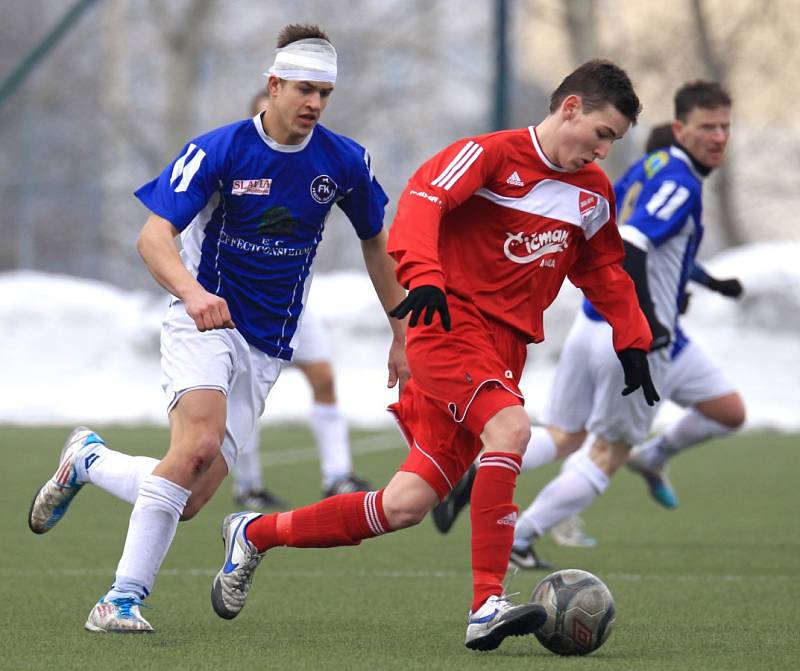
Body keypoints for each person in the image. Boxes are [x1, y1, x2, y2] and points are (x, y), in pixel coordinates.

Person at [209, 59, 657, 652]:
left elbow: (601, 266)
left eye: (614, 143)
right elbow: (422, 201)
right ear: (570, 107)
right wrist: (421, 277)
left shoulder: (593, 194)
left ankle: (255, 533)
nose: (602, 153)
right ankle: (486, 604)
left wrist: (633, 339)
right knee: (512, 429)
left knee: (404, 505)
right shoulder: (490, 155)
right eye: (602, 134)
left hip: (503, 350)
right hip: (447, 325)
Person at [26, 24, 408, 633]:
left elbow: (376, 244)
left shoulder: (344, 161)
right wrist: (194, 292)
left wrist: (401, 332)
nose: (314, 103)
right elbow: (153, 237)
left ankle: (89, 461)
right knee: (196, 447)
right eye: (304, 89)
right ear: (274, 84)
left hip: (268, 343)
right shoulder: (218, 150)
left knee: (193, 497)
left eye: (325, 94)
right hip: (202, 321)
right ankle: (120, 600)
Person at [506, 80, 744, 568]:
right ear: (680, 129)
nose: (718, 137)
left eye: (725, 127)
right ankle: (520, 536)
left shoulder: (651, 166)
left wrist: (710, 285)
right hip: (638, 337)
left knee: (572, 433)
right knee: (607, 453)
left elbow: (631, 235)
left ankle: (482, 465)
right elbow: (632, 242)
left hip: (599, 324)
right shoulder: (679, 183)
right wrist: (651, 322)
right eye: (707, 127)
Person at [232, 90, 373, 511]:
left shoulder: (315, 164)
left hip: (294, 304)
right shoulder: (235, 163)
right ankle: (249, 484)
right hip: (242, 303)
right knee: (242, 398)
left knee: (324, 379)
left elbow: (370, 232)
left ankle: (337, 475)